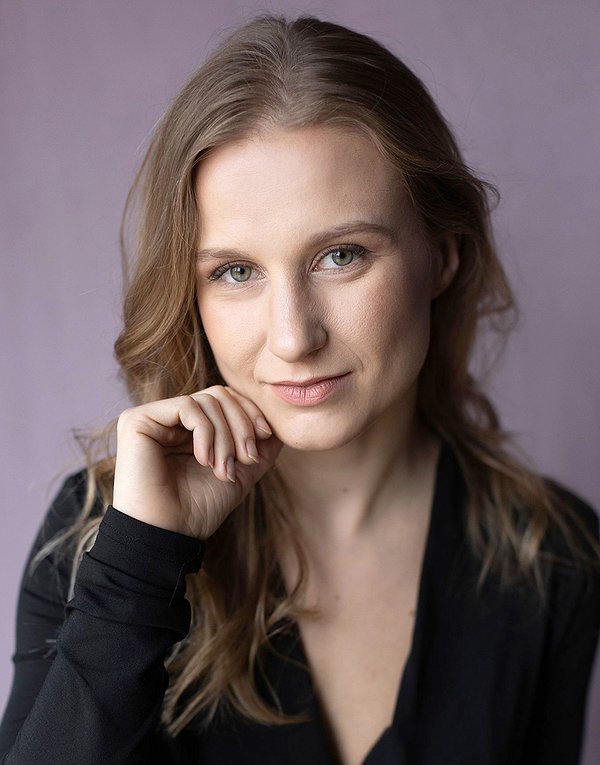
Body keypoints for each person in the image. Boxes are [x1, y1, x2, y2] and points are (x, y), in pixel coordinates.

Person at [1, 12, 599, 765]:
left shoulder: (554, 557)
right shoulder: (98, 538)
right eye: (236, 271)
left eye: (341, 255)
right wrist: (140, 566)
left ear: (443, 256)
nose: (292, 338)